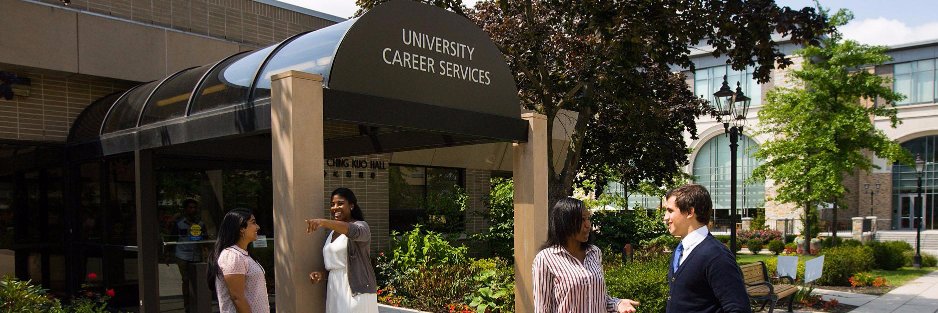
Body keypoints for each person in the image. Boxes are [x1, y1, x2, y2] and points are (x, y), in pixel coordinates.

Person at [532, 197, 640, 313]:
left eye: (588, 218)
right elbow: (543, 308)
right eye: (582, 220)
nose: (588, 225)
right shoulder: (545, 259)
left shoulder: (595, 252)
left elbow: (600, 299)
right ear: (564, 222)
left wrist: (617, 304)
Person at [663, 184, 751, 313]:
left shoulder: (716, 256)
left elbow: (738, 308)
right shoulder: (680, 250)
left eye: (670, 211)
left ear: (689, 212)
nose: (665, 217)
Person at [306, 188, 378, 313]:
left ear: (351, 206)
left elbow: (352, 231)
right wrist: (321, 274)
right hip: (334, 289)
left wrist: (323, 222)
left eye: (340, 203)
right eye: (332, 204)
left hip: (355, 290)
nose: (335, 207)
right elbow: (336, 264)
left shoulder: (362, 227)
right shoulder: (331, 233)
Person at [207, 208, 269, 313]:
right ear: (241, 228)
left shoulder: (243, 254)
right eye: (253, 223)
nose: (258, 227)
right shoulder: (232, 255)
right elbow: (237, 297)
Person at [174, 199, 207, 309]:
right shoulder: (179, 223)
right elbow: (173, 238)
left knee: (197, 280)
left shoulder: (200, 224)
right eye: (190, 207)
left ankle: (197, 304)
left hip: (196, 255)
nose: (192, 210)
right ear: (185, 209)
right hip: (182, 255)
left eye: (194, 207)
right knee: (186, 279)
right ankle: (187, 305)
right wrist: (168, 255)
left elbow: (205, 239)